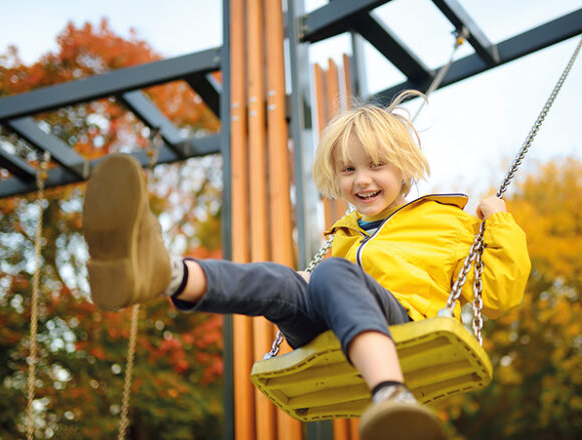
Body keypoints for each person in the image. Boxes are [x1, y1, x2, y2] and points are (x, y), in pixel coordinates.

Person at [82, 90, 531, 440]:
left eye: (376, 165)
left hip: (403, 326)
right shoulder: (343, 235)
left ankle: (392, 393)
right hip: (329, 329)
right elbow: (319, 286)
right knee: (282, 279)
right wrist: (306, 282)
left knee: (331, 274)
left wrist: (500, 223)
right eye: (348, 170)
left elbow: (499, 294)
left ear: (405, 168)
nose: (362, 180)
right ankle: (163, 272)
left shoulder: (445, 221)